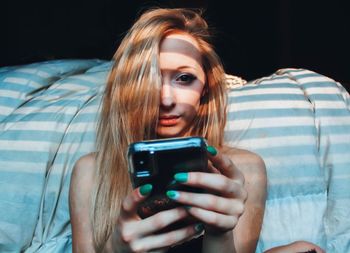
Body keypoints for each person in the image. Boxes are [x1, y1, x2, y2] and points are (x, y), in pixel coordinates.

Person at [69, 8, 323, 253]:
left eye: (184, 78)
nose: (166, 100)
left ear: (205, 88)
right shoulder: (92, 171)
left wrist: (220, 232)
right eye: (148, 80)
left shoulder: (243, 169)